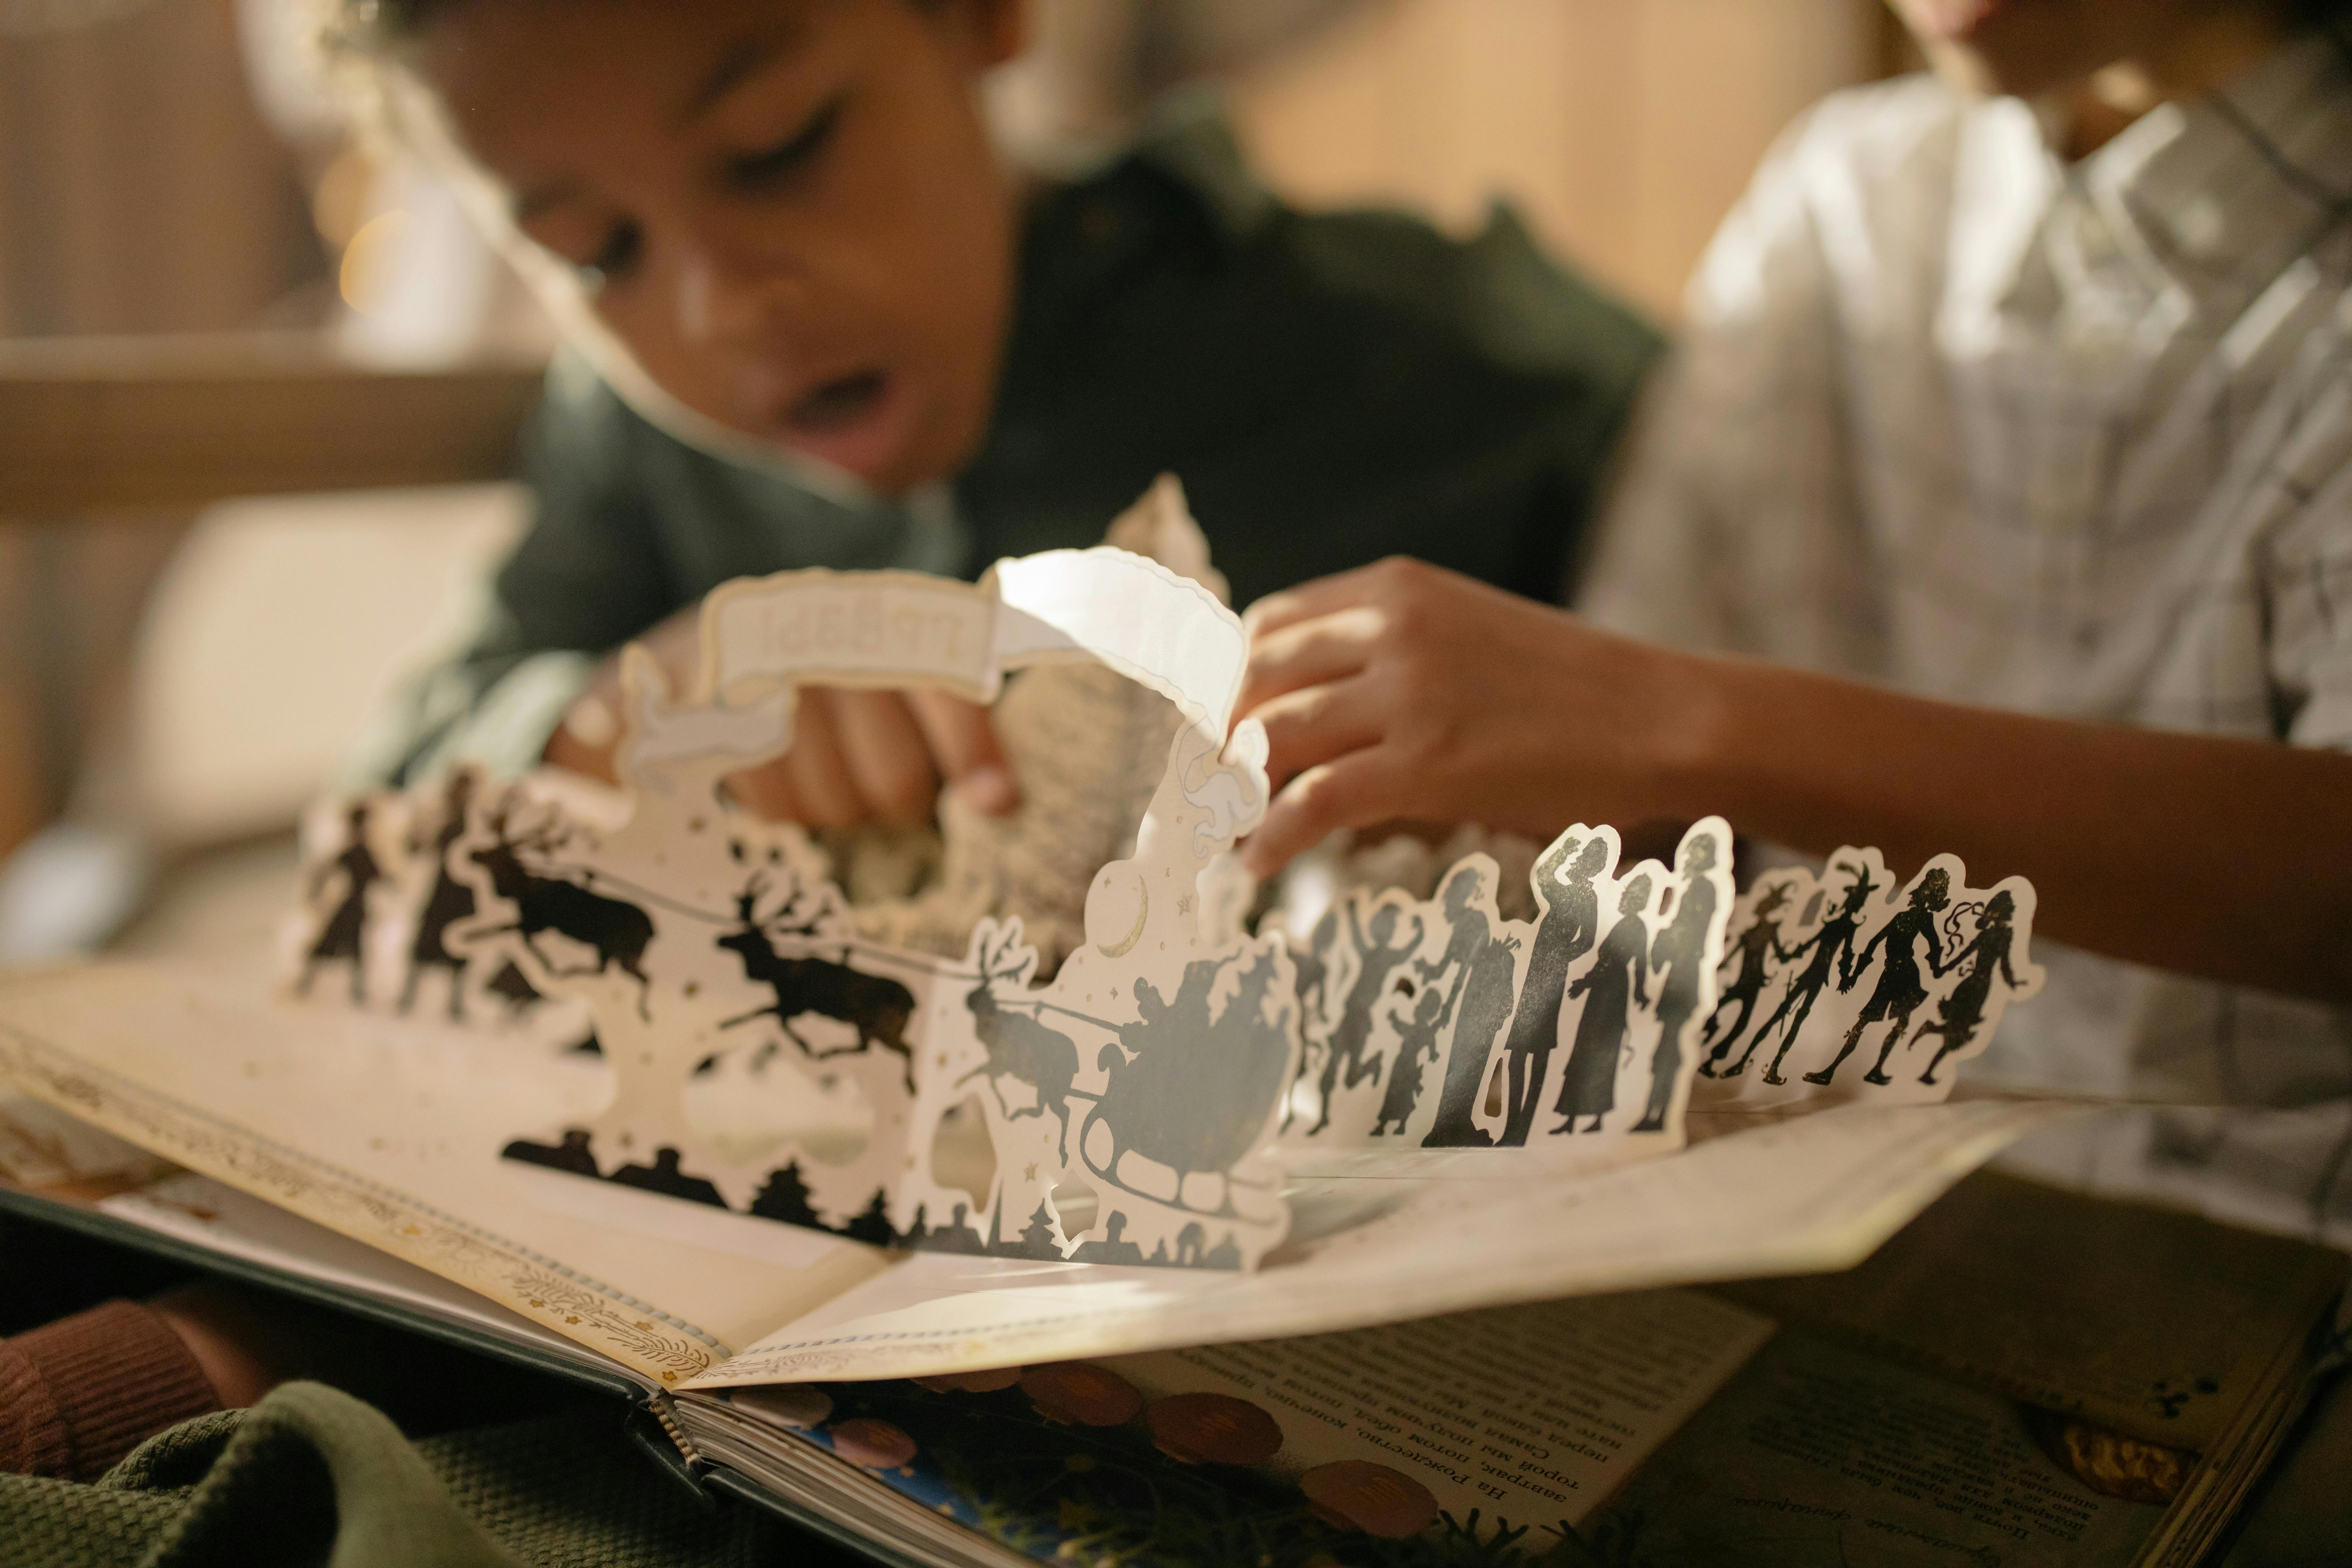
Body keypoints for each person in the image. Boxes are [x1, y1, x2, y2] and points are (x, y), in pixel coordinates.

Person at [1238, 0, 2352, 1239]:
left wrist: (1677, 718)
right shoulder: (1857, 191)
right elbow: (1630, 814)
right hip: (1791, 1209)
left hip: (2260, 1272)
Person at [335, 0, 1661, 831]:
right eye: (593, 249)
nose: (724, 309)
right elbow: (399, 770)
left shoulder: (1424, 348)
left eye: (780, 146)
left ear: (979, 15)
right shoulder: (631, 437)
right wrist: (643, 709)